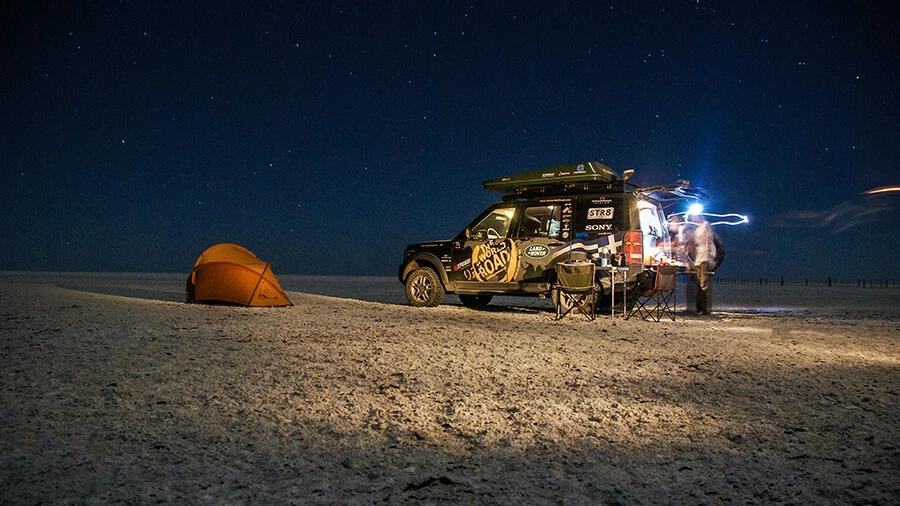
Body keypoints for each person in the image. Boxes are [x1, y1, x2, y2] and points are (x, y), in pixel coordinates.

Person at [690, 214, 716, 314]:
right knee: (699, 283)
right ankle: (699, 307)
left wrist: (709, 256)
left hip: (704, 258)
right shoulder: (697, 228)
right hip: (698, 258)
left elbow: (708, 240)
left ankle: (704, 308)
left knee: (703, 284)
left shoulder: (705, 225)